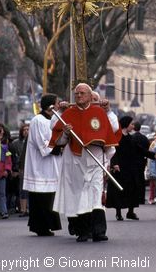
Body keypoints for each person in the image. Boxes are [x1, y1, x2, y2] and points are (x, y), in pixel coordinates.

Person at [49, 83, 118, 242]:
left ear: (89, 95)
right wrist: (65, 130)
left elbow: (112, 129)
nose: (79, 96)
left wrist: (108, 110)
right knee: (80, 196)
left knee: (95, 195)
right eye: (76, 93)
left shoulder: (98, 112)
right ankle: (83, 231)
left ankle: (99, 231)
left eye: (82, 93)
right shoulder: (68, 113)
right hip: (75, 160)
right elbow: (57, 136)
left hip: (95, 159)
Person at [106, 116, 156, 221]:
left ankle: (130, 212)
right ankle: (118, 213)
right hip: (119, 168)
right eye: (131, 124)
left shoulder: (131, 138)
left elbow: (140, 150)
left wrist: (153, 155)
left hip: (129, 168)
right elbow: (112, 151)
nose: (133, 126)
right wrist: (114, 164)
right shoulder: (117, 137)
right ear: (126, 124)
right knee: (119, 190)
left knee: (132, 189)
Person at [23, 93, 62, 236]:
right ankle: (40, 227)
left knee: (49, 198)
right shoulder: (37, 120)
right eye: (58, 103)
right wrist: (58, 147)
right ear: (50, 106)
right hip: (39, 167)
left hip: (51, 166)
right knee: (41, 198)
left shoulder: (54, 119)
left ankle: (47, 226)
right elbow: (43, 144)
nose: (59, 105)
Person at [9, 123, 29, 216]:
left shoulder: (32, 141)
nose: (26, 131)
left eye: (28, 129)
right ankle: (23, 209)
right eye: (24, 130)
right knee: (22, 190)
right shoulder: (15, 143)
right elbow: (13, 158)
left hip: (31, 169)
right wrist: (15, 170)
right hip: (21, 168)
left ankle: (30, 209)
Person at [132, 121, 150, 205]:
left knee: (135, 179)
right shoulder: (144, 138)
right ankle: (142, 198)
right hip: (142, 160)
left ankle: (135, 198)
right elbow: (147, 148)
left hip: (134, 161)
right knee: (141, 179)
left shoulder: (132, 138)